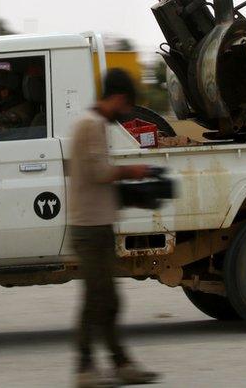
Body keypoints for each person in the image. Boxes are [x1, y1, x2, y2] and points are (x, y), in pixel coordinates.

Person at [68, 68, 160, 387]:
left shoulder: (95, 125)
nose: (127, 114)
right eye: (127, 107)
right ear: (119, 99)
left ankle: (120, 363)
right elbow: (99, 173)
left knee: (107, 299)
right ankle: (85, 368)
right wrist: (132, 170)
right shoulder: (89, 125)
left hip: (98, 224)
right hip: (88, 228)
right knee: (97, 299)